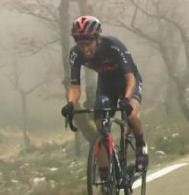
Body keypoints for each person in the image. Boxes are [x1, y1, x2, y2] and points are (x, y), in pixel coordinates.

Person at [60, 15, 148, 173]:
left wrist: (127, 99)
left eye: (88, 44)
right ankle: (106, 176)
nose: (85, 49)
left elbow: (130, 78)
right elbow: (75, 87)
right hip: (106, 85)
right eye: (80, 44)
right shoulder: (75, 54)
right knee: (101, 130)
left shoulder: (114, 46)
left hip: (128, 82)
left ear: (97, 38)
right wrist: (70, 104)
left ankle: (141, 146)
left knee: (132, 116)